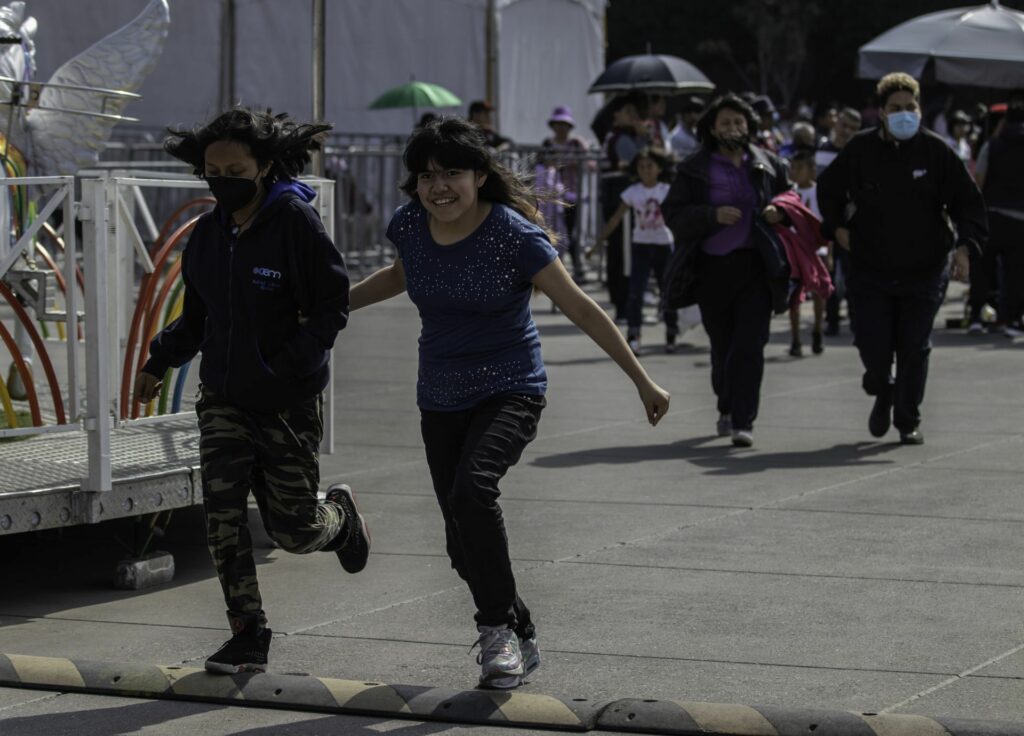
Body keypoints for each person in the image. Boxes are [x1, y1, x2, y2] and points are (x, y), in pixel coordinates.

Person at [347, 117, 670, 689]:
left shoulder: (514, 235)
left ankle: (496, 632)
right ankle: (518, 623)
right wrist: (336, 306)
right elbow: (401, 273)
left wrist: (642, 380)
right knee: (459, 544)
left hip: (511, 389)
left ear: (479, 175)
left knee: (473, 493)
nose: (438, 186)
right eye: (426, 176)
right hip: (439, 396)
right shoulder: (411, 226)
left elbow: (581, 307)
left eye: (451, 173)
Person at [133, 108, 371, 674]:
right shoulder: (208, 234)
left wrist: (290, 368)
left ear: (264, 166)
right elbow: (198, 315)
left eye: (234, 168)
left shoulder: (294, 222)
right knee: (222, 513)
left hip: (286, 398)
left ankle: (338, 517)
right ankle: (249, 633)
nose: (222, 179)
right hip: (222, 395)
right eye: (212, 170)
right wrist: (161, 360)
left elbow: (330, 307)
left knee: (294, 531)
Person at [818, 72, 987, 445]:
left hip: (925, 270)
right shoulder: (860, 150)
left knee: (914, 346)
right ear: (881, 113)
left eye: (911, 107)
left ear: (920, 109)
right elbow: (827, 191)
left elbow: (969, 205)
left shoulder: (937, 151)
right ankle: (883, 388)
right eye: (896, 109)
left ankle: (907, 419)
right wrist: (836, 228)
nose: (904, 114)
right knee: (872, 346)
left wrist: (964, 248)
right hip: (869, 268)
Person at [662, 93, 792, 448]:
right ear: (712, 129)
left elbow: (790, 199)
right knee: (723, 346)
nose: (733, 128)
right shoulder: (695, 167)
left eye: (739, 122)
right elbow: (673, 214)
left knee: (750, 344)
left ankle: (743, 418)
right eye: (725, 123)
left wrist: (780, 212)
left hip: (758, 266)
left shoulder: (769, 164)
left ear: (750, 126)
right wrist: (711, 216)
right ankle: (725, 403)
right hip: (711, 269)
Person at [598, 146, 679, 355]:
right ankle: (634, 335)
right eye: (642, 167)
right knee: (635, 293)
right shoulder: (633, 192)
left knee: (667, 291)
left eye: (650, 166)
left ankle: (671, 331)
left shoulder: (666, 191)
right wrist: (599, 242)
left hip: (664, 245)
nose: (645, 170)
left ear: (659, 168)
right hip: (641, 245)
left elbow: (679, 218)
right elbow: (616, 218)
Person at [972, 94, 1024, 337]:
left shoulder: (991, 145)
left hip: (991, 214)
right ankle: (1010, 320)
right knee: (1015, 274)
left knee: (982, 268)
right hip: (1019, 219)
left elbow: (978, 180)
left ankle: (976, 317)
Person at [602, 93, 650, 321]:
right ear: (617, 115)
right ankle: (623, 305)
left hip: (624, 198)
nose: (633, 117)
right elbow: (637, 164)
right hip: (619, 198)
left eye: (635, 113)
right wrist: (643, 140)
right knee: (622, 252)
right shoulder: (618, 137)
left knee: (628, 251)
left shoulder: (625, 136)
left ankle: (629, 303)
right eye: (627, 112)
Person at [815, 107, 862, 337]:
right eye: (844, 126)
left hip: (853, 224)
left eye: (853, 129)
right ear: (836, 124)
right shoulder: (822, 151)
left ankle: (856, 319)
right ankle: (831, 319)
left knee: (854, 274)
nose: (847, 132)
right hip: (828, 223)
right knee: (829, 274)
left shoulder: (860, 154)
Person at [785, 149, 829, 357]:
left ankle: (817, 329)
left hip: (815, 250)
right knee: (794, 297)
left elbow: (826, 226)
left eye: (800, 168)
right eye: (793, 168)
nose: (796, 172)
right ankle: (795, 339)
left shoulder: (820, 193)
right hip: (794, 251)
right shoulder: (789, 194)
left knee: (819, 294)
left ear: (812, 170)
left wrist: (828, 253)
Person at [541, 105, 589, 281]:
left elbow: (590, 164)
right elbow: (541, 164)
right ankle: (552, 269)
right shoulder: (547, 143)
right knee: (552, 231)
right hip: (552, 197)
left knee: (572, 232)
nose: (561, 128)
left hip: (572, 195)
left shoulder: (577, 143)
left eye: (564, 124)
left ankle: (577, 267)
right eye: (558, 124)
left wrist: (575, 163)